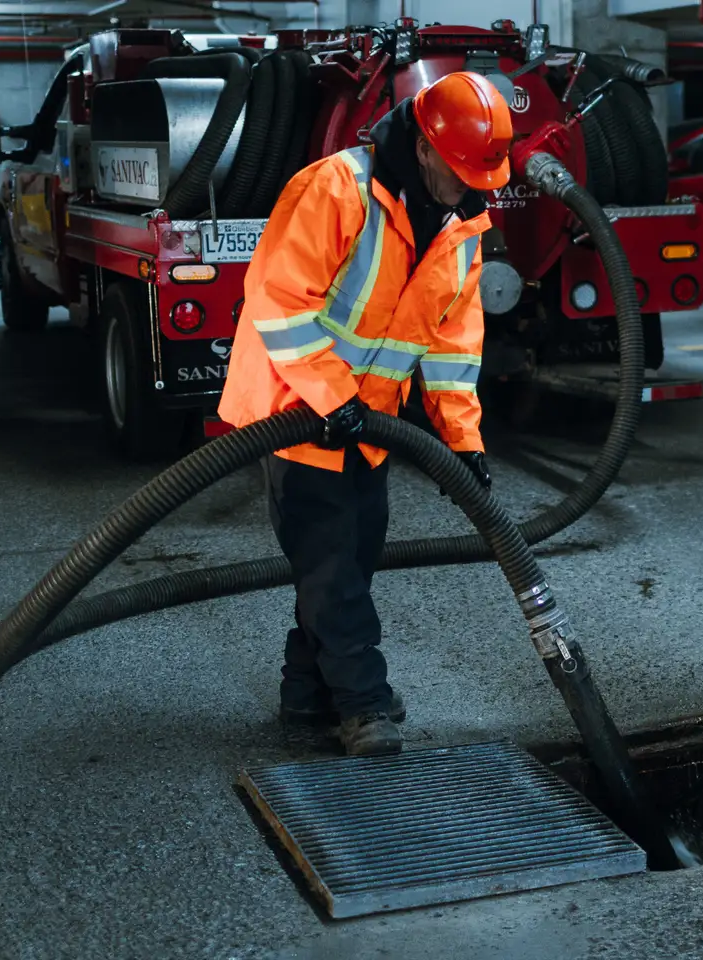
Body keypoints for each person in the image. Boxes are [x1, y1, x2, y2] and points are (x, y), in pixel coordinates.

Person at [217, 72, 512, 757]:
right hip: (298, 411)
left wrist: (460, 442)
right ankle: (363, 704)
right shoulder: (337, 188)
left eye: (484, 173)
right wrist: (330, 396)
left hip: (365, 424)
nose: (473, 185)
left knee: (348, 561)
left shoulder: (463, 225)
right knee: (331, 570)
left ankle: (305, 697)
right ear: (427, 148)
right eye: (464, 169)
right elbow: (279, 304)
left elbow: (450, 345)